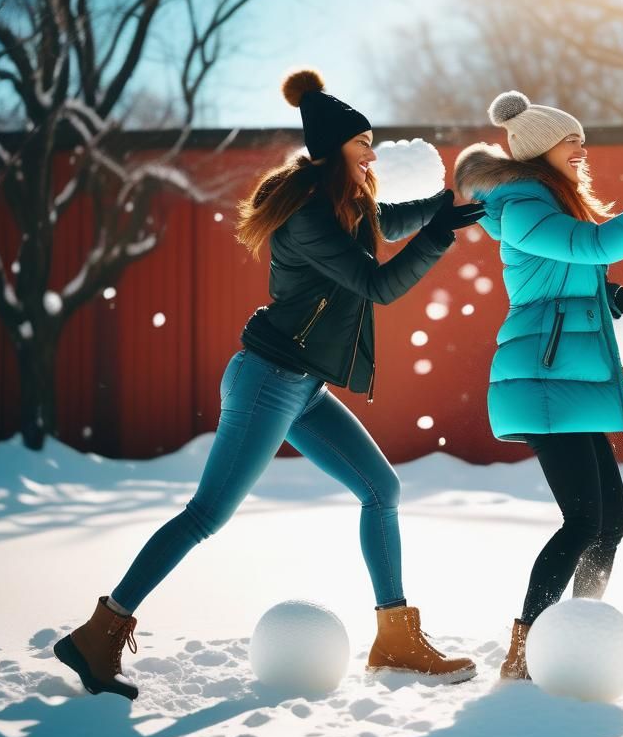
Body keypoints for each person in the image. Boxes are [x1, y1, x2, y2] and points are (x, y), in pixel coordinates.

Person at [54, 69, 484, 699]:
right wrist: (441, 235)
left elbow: (384, 225)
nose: (372, 154)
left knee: (380, 489)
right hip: (267, 381)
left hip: (302, 386)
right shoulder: (310, 217)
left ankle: (394, 637)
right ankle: (100, 632)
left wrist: (443, 210)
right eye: (363, 143)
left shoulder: (342, 205)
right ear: (336, 149)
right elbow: (377, 285)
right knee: (205, 515)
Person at [453, 91, 623, 679]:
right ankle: (525, 649)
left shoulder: (550, 202)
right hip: (542, 378)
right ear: (540, 150)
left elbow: (569, 270)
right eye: (570, 139)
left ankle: (577, 630)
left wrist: (610, 293)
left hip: (561, 378)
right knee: (583, 520)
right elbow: (597, 245)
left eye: (581, 138)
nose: (582, 148)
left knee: (611, 521)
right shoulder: (522, 205)